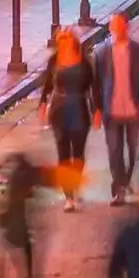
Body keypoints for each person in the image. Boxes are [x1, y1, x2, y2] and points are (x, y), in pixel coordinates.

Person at [100, 12, 139, 204]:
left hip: (133, 110)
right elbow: (96, 83)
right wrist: (97, 109)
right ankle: (119, 187)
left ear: (127, 27)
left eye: (119, 25)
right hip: (112, 110)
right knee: (114, 150)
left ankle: (127, 178)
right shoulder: (102, 52)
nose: (115, 29)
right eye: (112, 26)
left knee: (133, 151)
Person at [41, 26, 101, 209]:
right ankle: (69, 197)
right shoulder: (54, 61)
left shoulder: (84, 62)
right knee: (63, 153)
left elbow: (94, 87)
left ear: (73, 42)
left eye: (66, 40)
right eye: (61, 41)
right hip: (59, 111)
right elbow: (47, 85)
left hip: (79, 109)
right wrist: (42, 104)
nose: (63, 44)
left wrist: (97, 109)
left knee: (78, 155)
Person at [0, 152, 50, 278]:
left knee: (14, 277)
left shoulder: (17, 182)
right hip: (19, 235)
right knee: (28, 275)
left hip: (13, 234)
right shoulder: (23, 182)